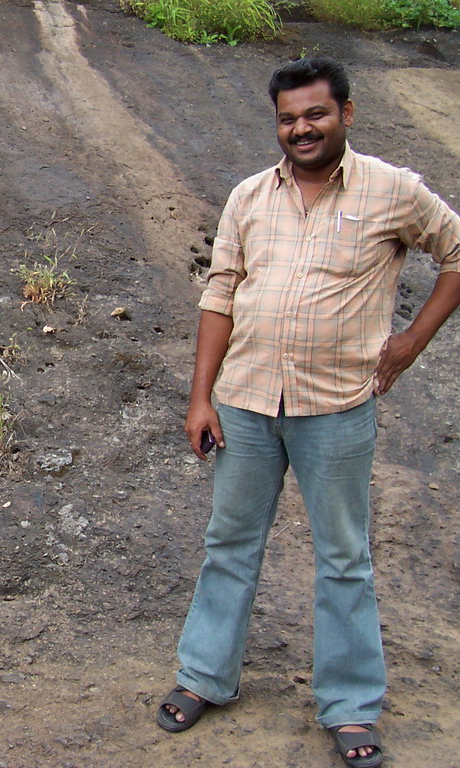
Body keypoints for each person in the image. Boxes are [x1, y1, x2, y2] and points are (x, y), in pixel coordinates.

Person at [155, 57, 460, 768]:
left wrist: (413, 341)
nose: (302, 128)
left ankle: (351, 707)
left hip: (337, 409)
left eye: (316, 114)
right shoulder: (250, 197)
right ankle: (204, 676)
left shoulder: (394, 192)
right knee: (228, 544)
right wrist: (201, 395)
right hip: (246, 402)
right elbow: (220, 293)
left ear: (347, 114)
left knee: (344, 557)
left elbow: (457, 249)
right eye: (289, 118)